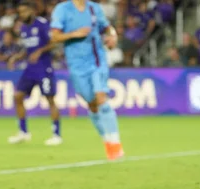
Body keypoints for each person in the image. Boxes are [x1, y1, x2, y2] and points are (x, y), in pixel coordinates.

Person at [50, 0, 124, 160]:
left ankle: (116, 144)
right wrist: (74, 34)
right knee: (91, 103)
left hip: (97, 60)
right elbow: (54, 36)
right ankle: (107, 140)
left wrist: (113, 37)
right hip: (76, 65)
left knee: (101, 98)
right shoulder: (62, 9)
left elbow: (107, 28)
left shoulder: (94, 8)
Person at [7, 0, 61, 146]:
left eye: (24, 11)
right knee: (17, 96)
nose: (22, 15)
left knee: (50, 99)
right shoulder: (24, 28)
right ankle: (23, 132)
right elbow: (28, 49)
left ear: (32, 11)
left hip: (44, 68)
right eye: (20, 12)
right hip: (30, 69)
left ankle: (56, 134)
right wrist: (17, 57)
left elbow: (54, 42)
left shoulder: (42, 24)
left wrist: (40, 51)